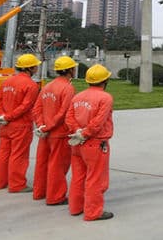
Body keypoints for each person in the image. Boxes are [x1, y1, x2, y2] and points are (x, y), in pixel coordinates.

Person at [65, 64, 114, 221]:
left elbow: (69, 118)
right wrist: (85, 133)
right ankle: (93, 212)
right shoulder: (105, 98)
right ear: (105, 80)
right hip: (95, 143)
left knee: (78, 176)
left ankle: (75, 207)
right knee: (95, 178)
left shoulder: (78, 96)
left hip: (78, 143)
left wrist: (78, 132)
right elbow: (98, 122)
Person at [31, 55, 77, 206]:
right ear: (70, 70)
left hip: (44, 133)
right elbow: (63, 112)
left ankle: (40, 192)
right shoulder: (68, 88)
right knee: (57, 165)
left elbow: (36, 109)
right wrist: (49, 126)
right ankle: (55, 196)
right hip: (59, 134)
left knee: (42, 163)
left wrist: (41, 125)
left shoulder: (47, 86)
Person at [0, 53, 41, 192]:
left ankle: (0, 182)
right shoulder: (31, 85)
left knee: (3, 153)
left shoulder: (7, 81)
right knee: (18, 155)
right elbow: (25, 106)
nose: (37, 69)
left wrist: (3, 116)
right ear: (30, 68)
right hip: (20, 125)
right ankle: (16, 184)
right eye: (35, 67)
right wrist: (9, 117)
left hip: (5, 125)